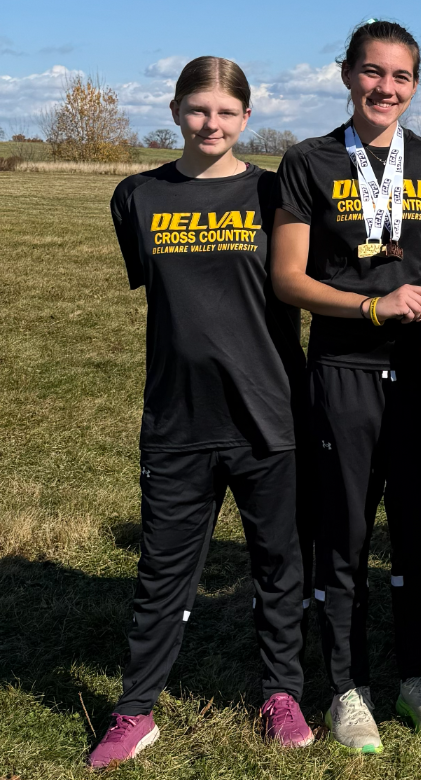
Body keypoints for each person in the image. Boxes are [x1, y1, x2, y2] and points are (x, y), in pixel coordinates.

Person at [91, 56, 312, 768]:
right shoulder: (137, 196)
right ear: (176, 112)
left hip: (269, 413)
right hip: (178, 419)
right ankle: (136, 709)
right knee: (162, 570)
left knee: (279, 564)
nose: (210, 123)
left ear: (246, 117)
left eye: (225, 111)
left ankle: (281, 692)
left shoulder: (278, 193)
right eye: (197, 109)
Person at [270, 19, 421, 753]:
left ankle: (417, 675)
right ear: (347, 73)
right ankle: (347, 685)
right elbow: (288, 278)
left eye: (400, 77)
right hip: (345, 366)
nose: (385, 88)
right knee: (347, 533)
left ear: (415, 85)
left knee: (420, 529)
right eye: (372, 72)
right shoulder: (309, 160)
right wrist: (368, 304)